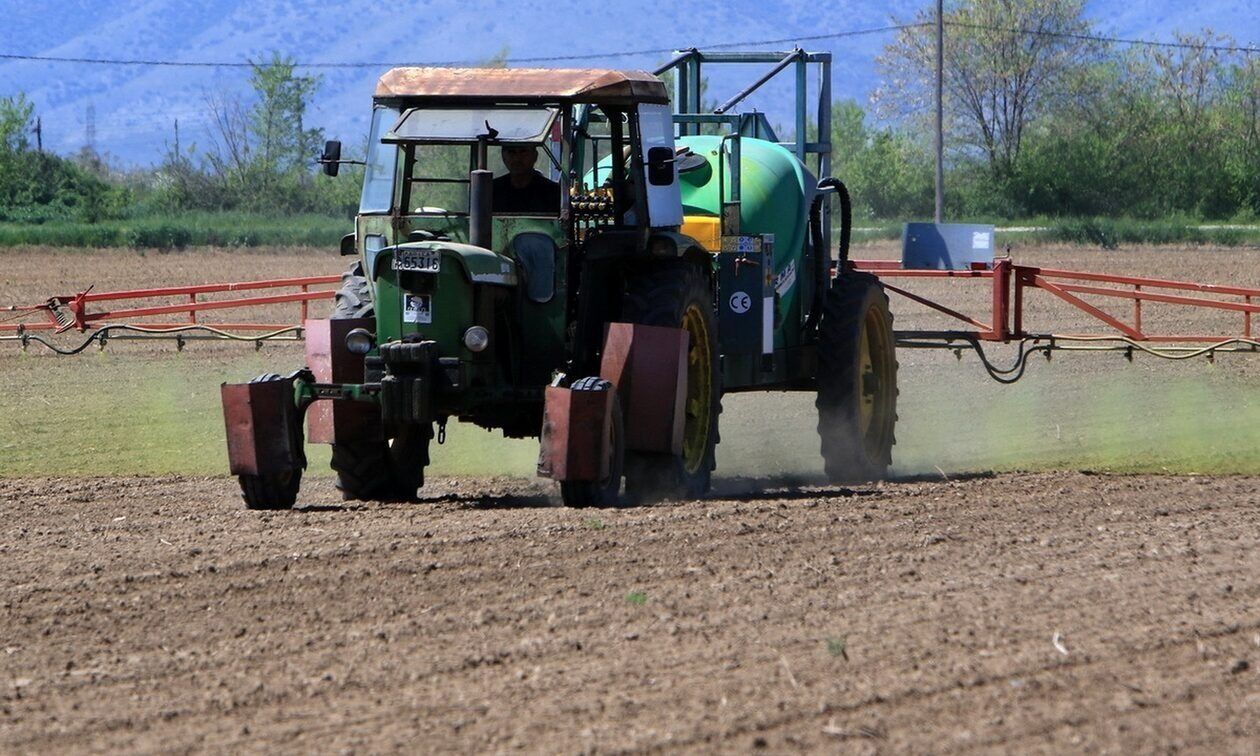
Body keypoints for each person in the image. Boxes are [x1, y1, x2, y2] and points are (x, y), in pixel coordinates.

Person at [492, 145, 560, 214]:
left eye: (523, 152)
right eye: (511, 152)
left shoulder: (553, 193)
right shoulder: (491, 191)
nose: (517, 158)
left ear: (535, 156)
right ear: (503, 157)